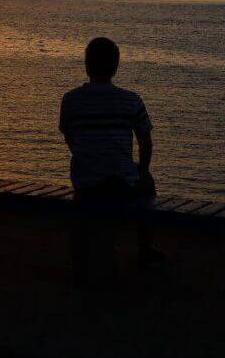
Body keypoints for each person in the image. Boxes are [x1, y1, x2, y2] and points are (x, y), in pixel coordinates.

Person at [59, 36, 163, 273]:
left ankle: (85, 256)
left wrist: (87, 156)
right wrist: (142, 168)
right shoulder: (132, 101)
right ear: (116, 67)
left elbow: (69, 136)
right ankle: (145, 247)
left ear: (86, 66)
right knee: (147, 183)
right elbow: (145, 141)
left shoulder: (70, 100)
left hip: (86, 182)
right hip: (122, 183)